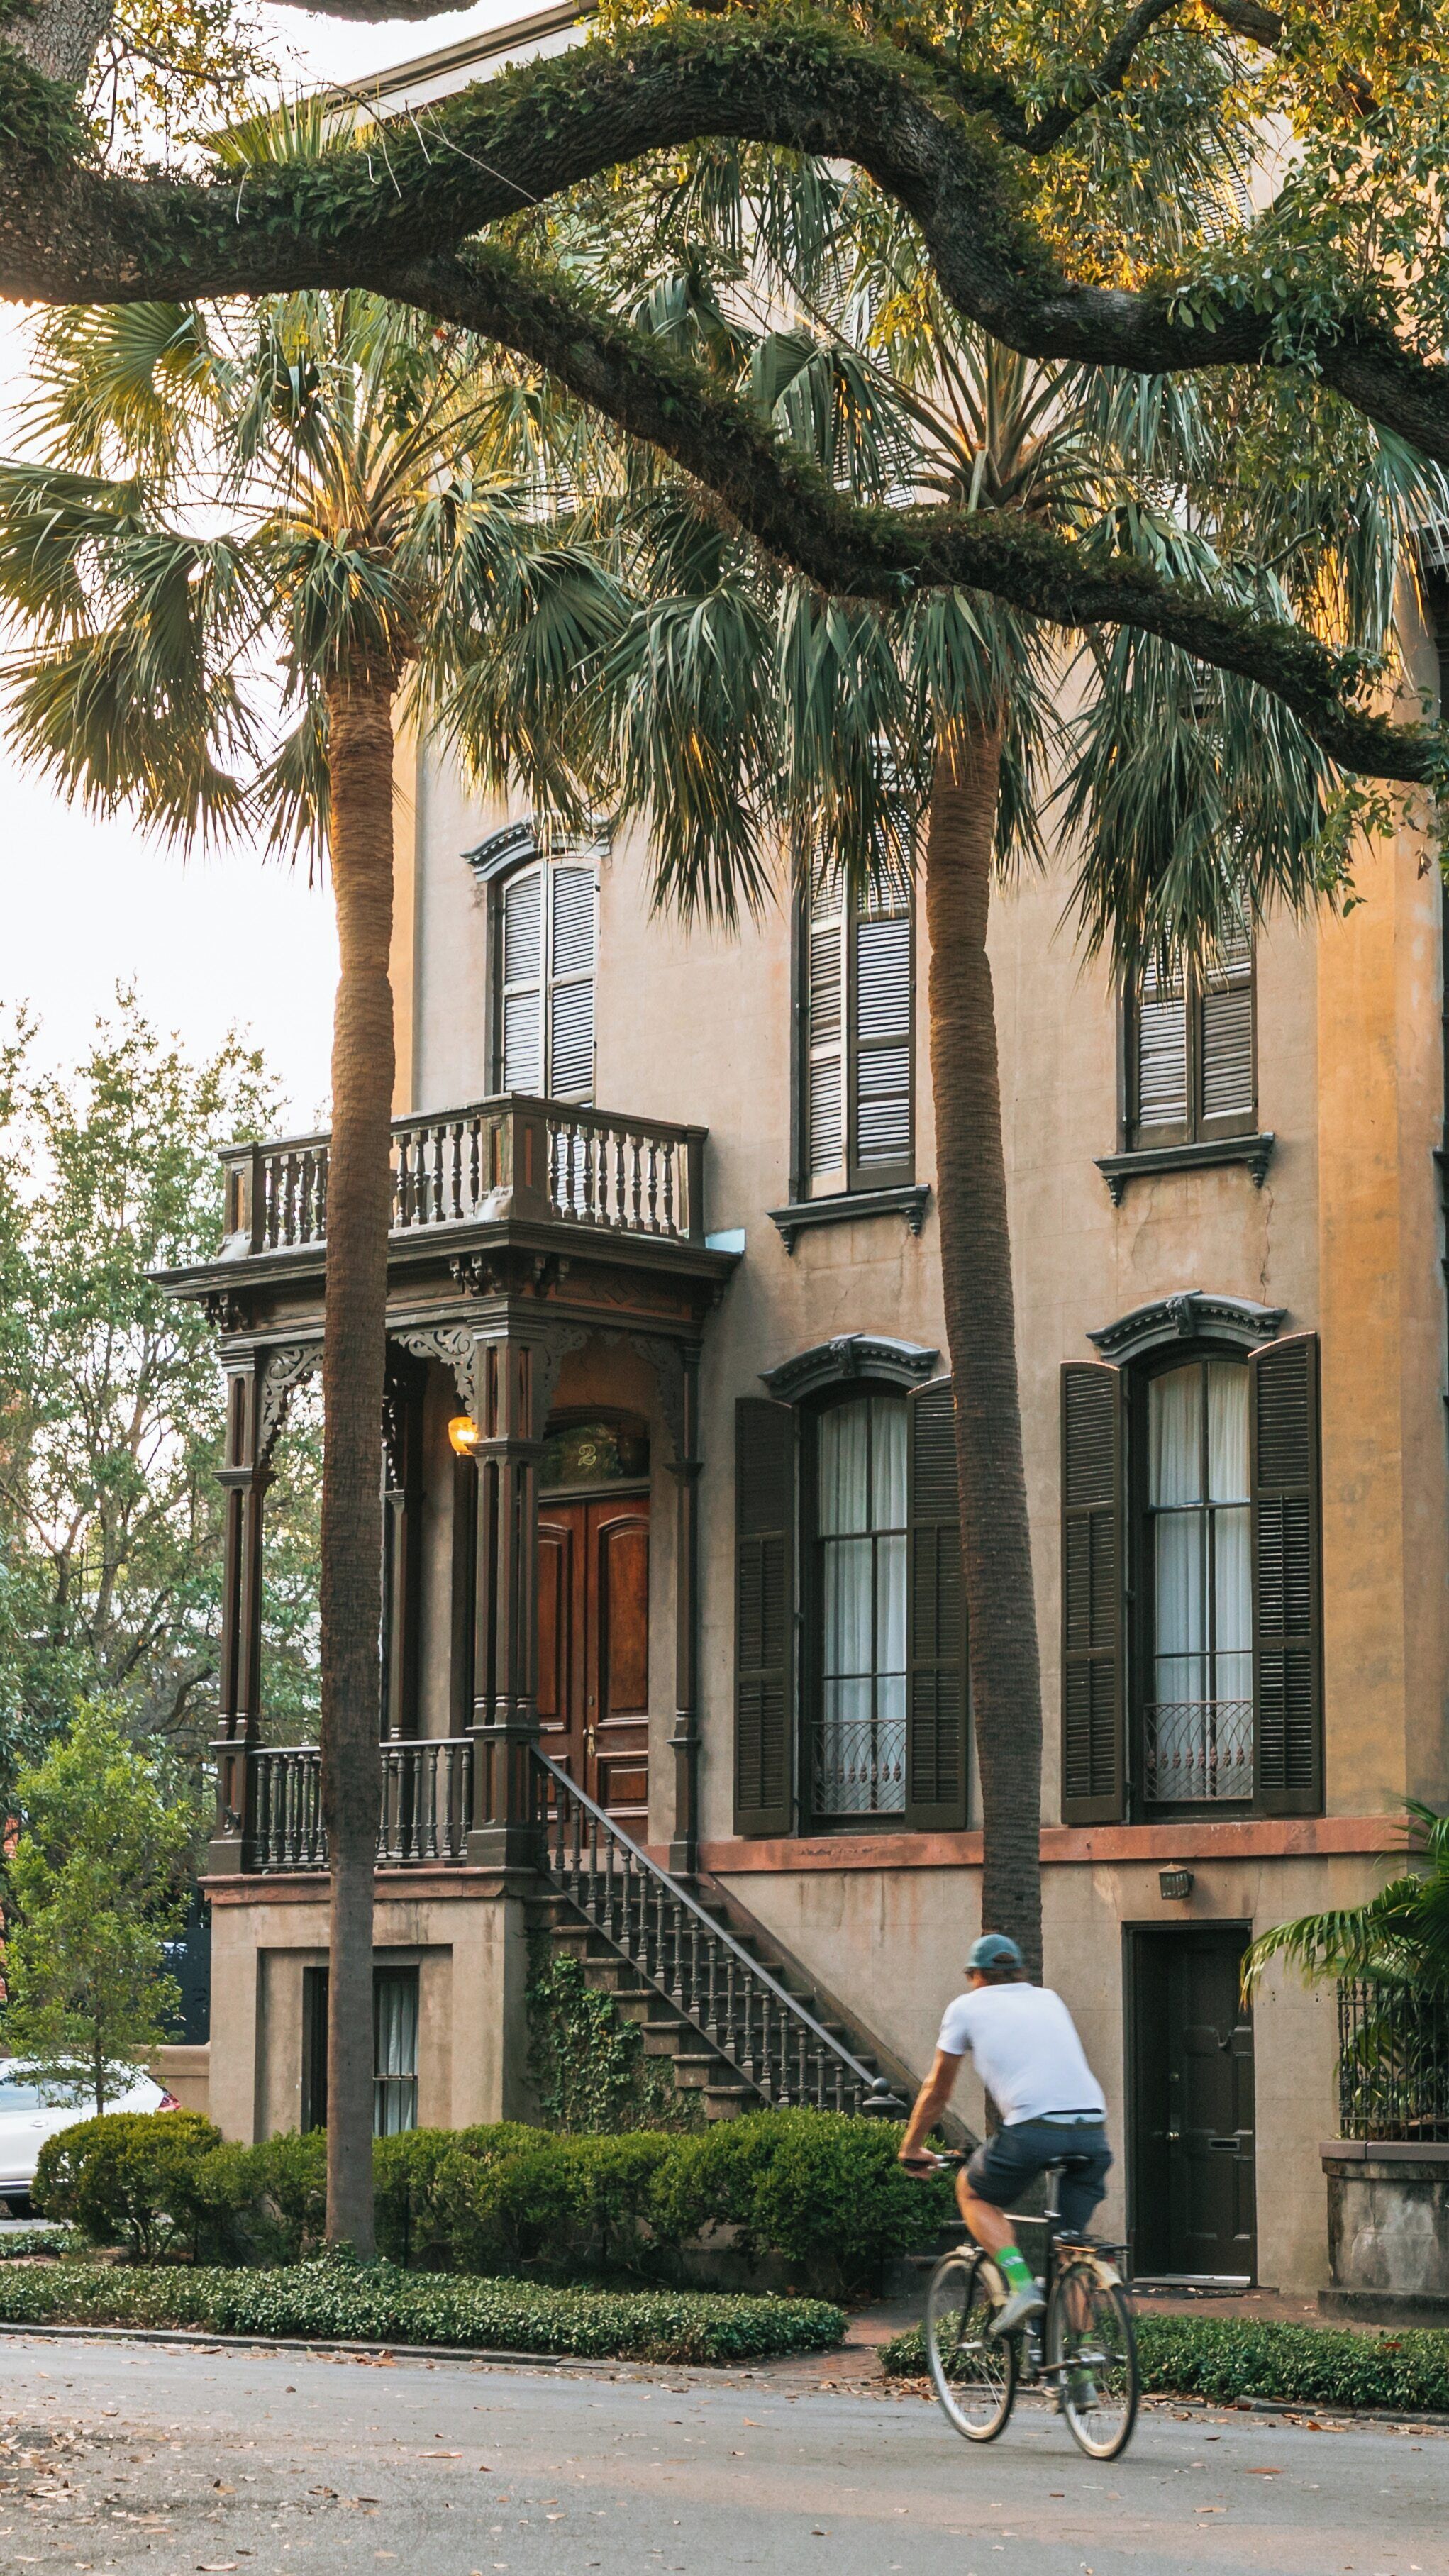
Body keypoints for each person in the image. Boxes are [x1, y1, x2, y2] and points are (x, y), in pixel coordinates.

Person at [898, 1931, 1112, 2336]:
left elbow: (938, 2090)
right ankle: (1082, 2377)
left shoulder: (965, 2007)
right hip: (1091, 2131)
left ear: (975, 1974)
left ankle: (1020, 2285)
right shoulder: (1048, 1999)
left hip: (1034, 2130)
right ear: (1019, 1971)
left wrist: (911, 2147)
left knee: (972, 2191)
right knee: (1071, 2249)